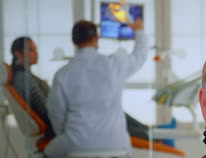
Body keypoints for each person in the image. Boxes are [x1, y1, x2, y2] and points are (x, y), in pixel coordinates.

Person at [43, 19, 147, 158]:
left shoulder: (62, 73)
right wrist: (140, 31)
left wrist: (65, 134)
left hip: (76, 140)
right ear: (96, 39)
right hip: (114, 141)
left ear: (73, 41)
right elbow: (140, 55)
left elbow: (55, 112)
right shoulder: (113, 64)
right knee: (123, 155)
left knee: (50, 155)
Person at [10, 36, 160, 149]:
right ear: (17, 53)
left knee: (113, 115)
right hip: (64, 126)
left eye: (35, 49)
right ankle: (153, 134)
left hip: (67, 122)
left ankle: (152, 133)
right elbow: (47, 111)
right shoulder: (24, 79)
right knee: (111, 120)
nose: (36, 53)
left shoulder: (27, 76)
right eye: (30, 49)